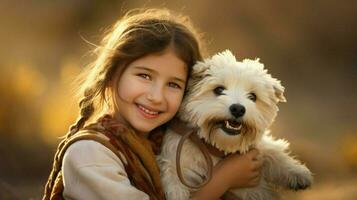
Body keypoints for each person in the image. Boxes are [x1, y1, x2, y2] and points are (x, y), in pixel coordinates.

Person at [43, 8, 262, 200]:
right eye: (145, 76)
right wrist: (221, 181)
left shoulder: (172, 145)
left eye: (174, 85)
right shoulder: (90, 154)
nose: (157, 96)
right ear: (110, 75)